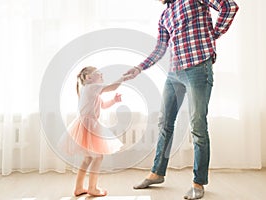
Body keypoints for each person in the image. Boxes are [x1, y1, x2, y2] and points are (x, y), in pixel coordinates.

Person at [124, 0, 239, 199]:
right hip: (174, 73)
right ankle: (157, 173)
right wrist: (139, 67)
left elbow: (229, 6)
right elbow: (160, 47)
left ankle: (198, 182)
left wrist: (212, 36)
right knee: (164, 124)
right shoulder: (164, 15)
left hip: (198, 68)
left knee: (197, 127)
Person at [58, 66, 127, 197]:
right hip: (89, 125)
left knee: (88, 158)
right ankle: (92, 188)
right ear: (89, 78)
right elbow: (112, 87)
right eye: (98, 73)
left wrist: (114, 100)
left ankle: (79, 188)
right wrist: (122, 78)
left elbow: (103, 105)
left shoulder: (90, 90)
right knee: (98, 156)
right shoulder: (91, 87)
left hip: (86, 124)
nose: (101, 74)